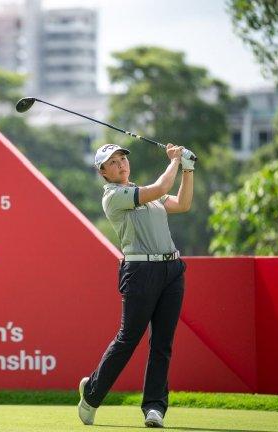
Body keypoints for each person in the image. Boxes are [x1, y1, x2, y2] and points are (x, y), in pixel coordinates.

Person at [78, 143, 195, 428]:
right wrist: (175, 160)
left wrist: (188, 170)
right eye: (113, 162)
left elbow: (182, 204)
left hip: (172, 270)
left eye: (122, 159)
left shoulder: (144, 193)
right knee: (128, 339)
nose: (120, 164)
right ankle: (91, 395)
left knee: (162, 343)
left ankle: (154, 407)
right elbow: (161, 186)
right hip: (140, 272)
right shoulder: (114, 197)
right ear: (103, 172)